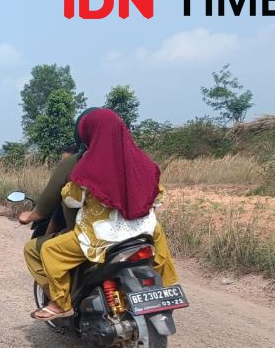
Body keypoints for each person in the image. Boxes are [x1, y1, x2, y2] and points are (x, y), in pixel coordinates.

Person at [19, 108, 178, 321]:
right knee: (159, 248)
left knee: (49, 250)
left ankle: (60, 303)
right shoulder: (143, 162)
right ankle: (166, 288)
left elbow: (70, 200)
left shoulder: (86, 166)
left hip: (102, 234)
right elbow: (156, 197)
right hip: (144, 229)